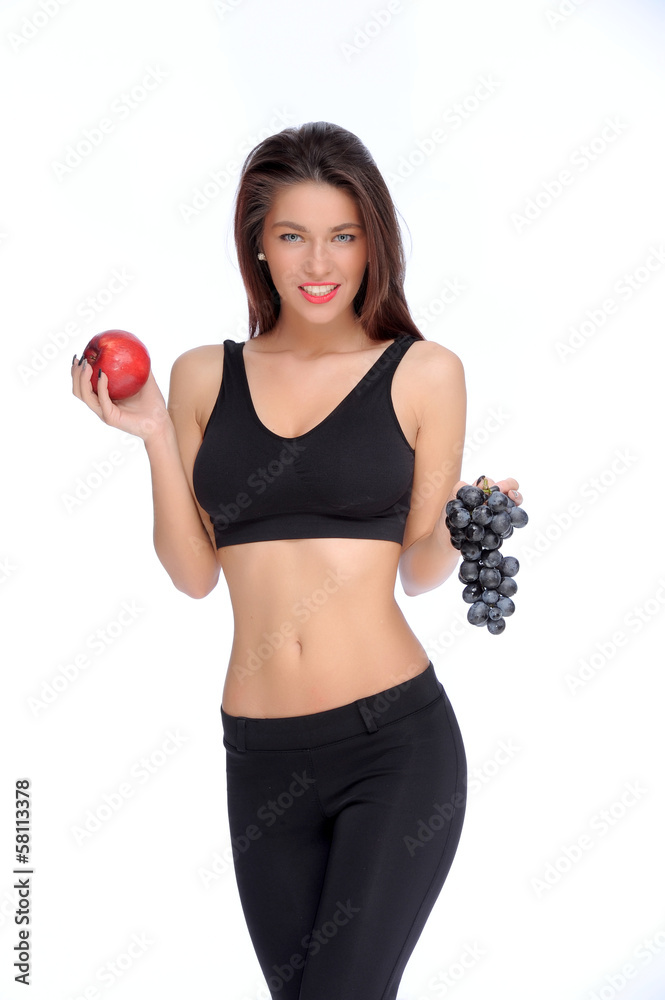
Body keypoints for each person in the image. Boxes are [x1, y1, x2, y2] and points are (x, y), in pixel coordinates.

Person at [71, 121, 523, 1000]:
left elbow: (420, 567)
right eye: (292, 235)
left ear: (371, 245)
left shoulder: (422, 371)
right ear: (259, 246)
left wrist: (476, 525)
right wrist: (157, 434)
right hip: (261, 757)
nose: (320, 261)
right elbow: (195, 574)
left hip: (394, 747)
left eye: (343, 236)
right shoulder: (204, 375)